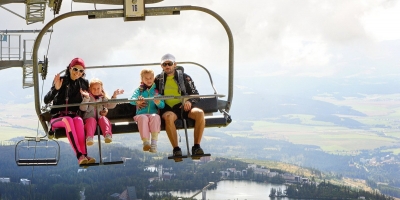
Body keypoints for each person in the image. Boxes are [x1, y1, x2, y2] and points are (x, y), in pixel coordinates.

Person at [44, 57, 95, 165]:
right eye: (75, 69)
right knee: (68, 120)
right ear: (70, 68)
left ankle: (85, 155)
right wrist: (55, 89)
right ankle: (79, 155)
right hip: (57, 118)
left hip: (73, 116)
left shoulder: (83, 83)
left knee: (79, 121)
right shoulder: (62, 80)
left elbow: (91, 99)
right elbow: (46, 100)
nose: (78, 73)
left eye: (81, 71)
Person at [154, 53, 206, 161]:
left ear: (175, 64)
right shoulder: (158, 79)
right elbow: (148, 88)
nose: (167, 66)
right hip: (168, 108)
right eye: (164, 64)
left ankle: (197, 147)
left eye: (169, 63)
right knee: (168, 117)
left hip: (185, 107)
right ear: (162, 66)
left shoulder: (185, 78)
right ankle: (176, 149)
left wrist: (189, 101)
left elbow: (195, 94)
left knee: (200, 113)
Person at [81, 78, 124, 146]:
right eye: (94, 89)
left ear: (101, 89)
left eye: (98, 88)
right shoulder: (88, 97)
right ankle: (89, 138)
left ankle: (107, 135)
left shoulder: (103, 98)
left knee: (104, 119)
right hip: (89, 118)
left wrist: (114, 96)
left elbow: (110, 106)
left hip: (100, 117)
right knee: (91, 121)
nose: (96, 90)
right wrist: (86, 98)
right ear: (90, 89)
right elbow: (83, 108)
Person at [130, 69, 165, 153]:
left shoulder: (156, 91)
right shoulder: (139, 90)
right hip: (141, 114)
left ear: (153, 78)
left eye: (150, 78)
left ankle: (154, 143)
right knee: (143, 118)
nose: (149, 80)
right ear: (142, 80)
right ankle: (145, 142)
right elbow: (132, 100)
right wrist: (137, 101)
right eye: (146, 78)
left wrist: (158, 102)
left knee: (155, 117)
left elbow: (162, 105)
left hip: (153, 113)